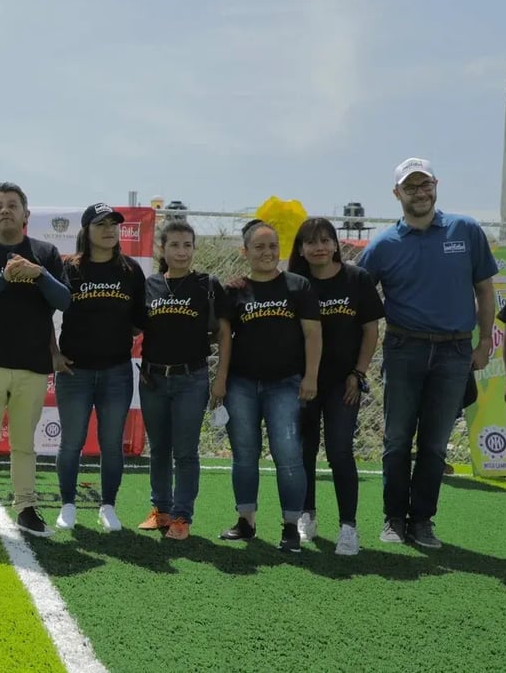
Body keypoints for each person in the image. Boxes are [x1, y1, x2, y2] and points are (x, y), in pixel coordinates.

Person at [357, 157, 497, 548]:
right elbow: (357, 295)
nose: (420, 193)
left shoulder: (465, 230)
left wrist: (484, 342)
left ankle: (422, 521)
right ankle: (393, 519)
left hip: (455, 352)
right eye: (411, 187)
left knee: (434, 444)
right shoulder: (382, 245)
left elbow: (485, 290)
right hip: (404, 349)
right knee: (397, 440)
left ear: (436, 185)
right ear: (396, 193)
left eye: (425, 185)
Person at [0, 182, 71, 538]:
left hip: (33, 366)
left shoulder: (45, 253)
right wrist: (4, 278)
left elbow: (64, 300)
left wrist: (40, 274)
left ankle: (27, 510)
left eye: (12, 205)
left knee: (24, 445)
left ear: (25, 214)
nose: (5, 210)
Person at [219, 219, 321, 553]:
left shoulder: (297, 286)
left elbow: (312, 334)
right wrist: (220, 380)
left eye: (273, 246)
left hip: (286, 384)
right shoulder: (234, 289)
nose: (267, 252)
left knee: (288, 453)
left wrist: (311, 376)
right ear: (244, 251)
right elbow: (225, 339)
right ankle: (245, 521)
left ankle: (291, 526)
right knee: (244, 454)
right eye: (259, 247)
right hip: (241, 384)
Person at [286, 217, 384, 555]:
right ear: (300, 249)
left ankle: (348, 527)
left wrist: (359, 373)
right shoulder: (295, 284)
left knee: (340, 451)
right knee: (304, 451)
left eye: (325, 240)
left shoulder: (357, 279)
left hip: (344, 383)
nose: (319, 247)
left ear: (335, 244)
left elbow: (370, 331)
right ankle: (307, 515)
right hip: (304, 382)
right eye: (311, 242)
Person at [50, 203, 145, 533]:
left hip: (116, 372)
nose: (109, 230)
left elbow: (139, 322)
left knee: (111, 444)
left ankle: (108, 506)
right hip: (74, 372)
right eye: (101, 224)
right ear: (86, 231)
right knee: (71, 443)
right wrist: (54, 354)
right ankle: (67, 505)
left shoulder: (131, 270)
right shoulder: (69, 268)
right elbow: (43, 311)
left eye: (114, 224)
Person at [135, 219, 231, 540]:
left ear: (194, 248)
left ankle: (181, 517)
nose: (181, 251)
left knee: (185, 451)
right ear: (162, 249)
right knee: (159, 448)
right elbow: (132, 327)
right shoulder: (149, 286)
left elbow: (224, 334)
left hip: (192, 379)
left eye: (187, 245)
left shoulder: (206, 284)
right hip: (152, 379)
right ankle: (161, 510)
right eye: (174, 245)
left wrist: (220, 379)